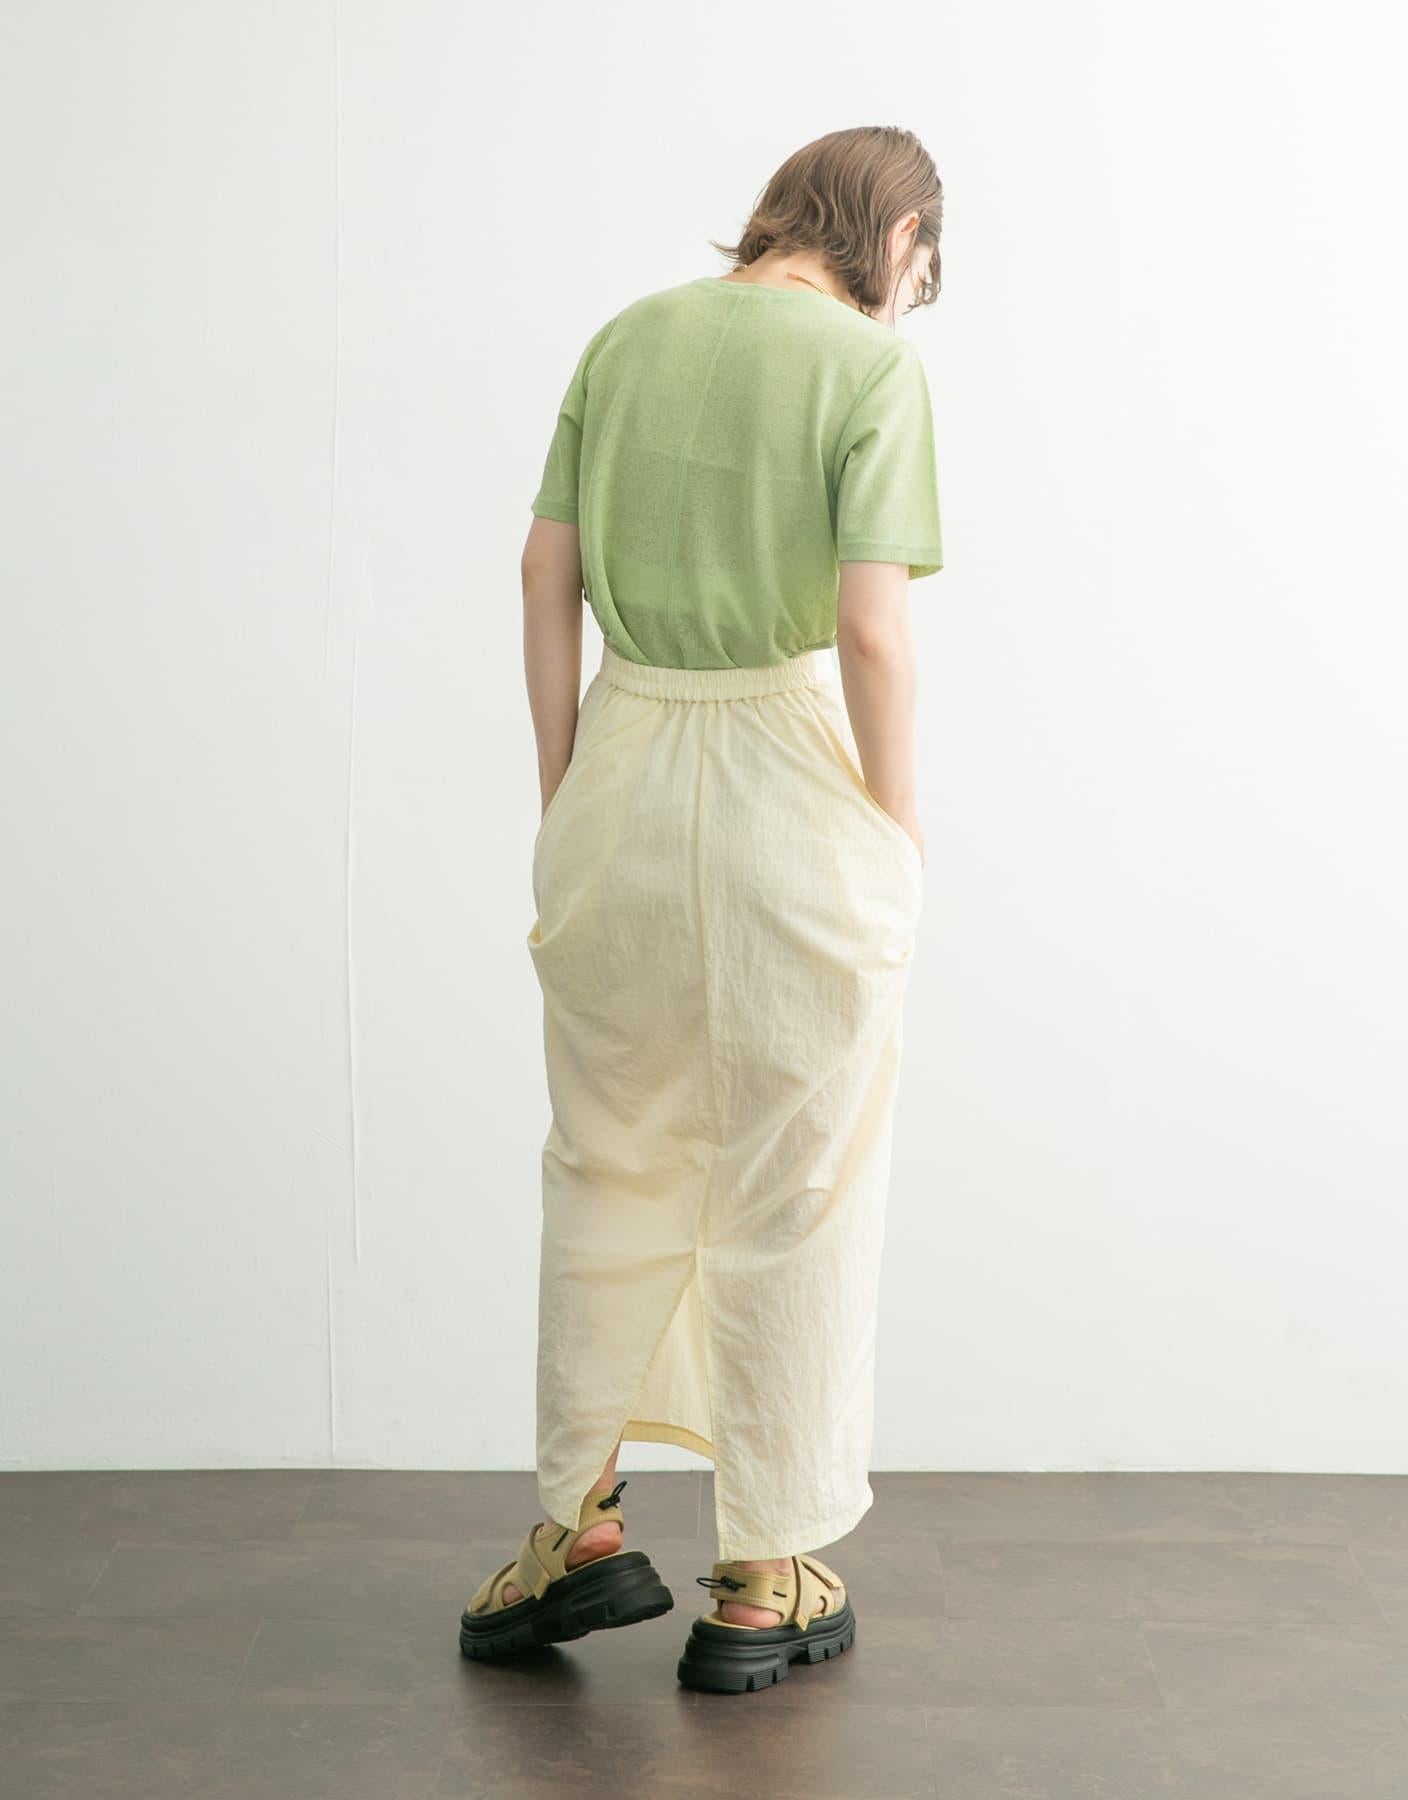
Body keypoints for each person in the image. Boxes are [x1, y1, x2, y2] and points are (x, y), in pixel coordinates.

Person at [460, 125, 943, 1695]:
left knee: (607, 1152)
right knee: (796, 1177)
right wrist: (899, 834)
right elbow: (872, 634)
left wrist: (564, 788)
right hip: (786, 780)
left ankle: (574, 1529)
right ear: (898, 236)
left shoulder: (627, 336)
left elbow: (543, 576)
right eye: (923, 275)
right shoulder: (869, 371)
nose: (911, 304)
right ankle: (762, 1575)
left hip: (622, 763)